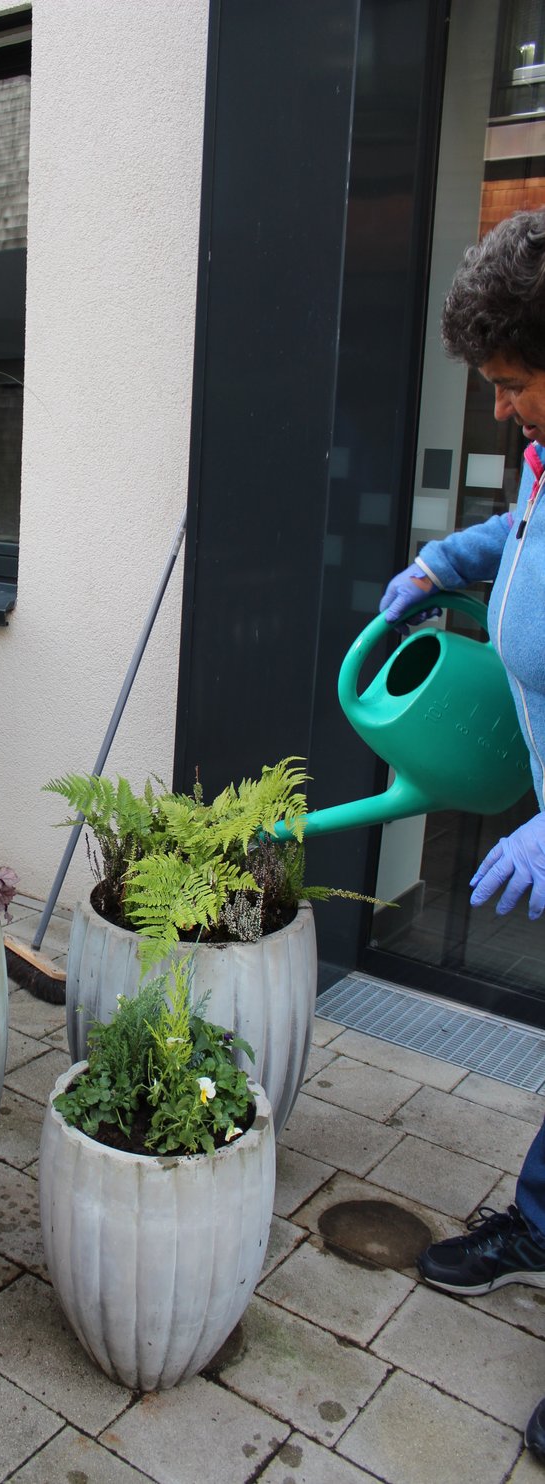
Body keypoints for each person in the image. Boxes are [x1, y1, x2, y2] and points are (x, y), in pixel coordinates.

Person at [379, 207, 545, 1467]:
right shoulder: (544, 462)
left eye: (510, 381)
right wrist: (443, 559)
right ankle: (539, 1222)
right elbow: (520, 539)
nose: (497, 408)